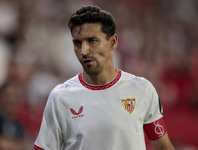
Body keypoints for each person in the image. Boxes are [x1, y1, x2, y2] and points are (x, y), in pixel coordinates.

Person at [34, 5, 175, 150]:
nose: (84, 51)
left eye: (92, 41)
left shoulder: (142, 89)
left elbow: (163, 147)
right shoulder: (60, 97)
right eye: (77, 43)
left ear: (112, 42)